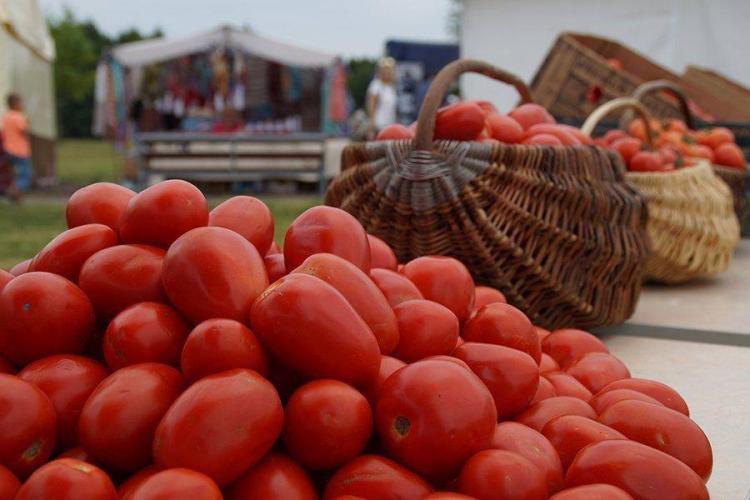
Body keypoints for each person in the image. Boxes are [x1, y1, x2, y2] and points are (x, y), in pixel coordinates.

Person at [1, 94, 32, 192]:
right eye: (20, 103)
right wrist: (27, 122)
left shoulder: (6, 116)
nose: (22, 105)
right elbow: (25, 131)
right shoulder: (18, 117)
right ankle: (15, 190)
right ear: (15, 104)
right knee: (25, 173)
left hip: (7, 149)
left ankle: (9, 187)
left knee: (10, 173)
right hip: (20, 150)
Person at [366, 57, 398, 138]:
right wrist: (371, 127)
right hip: (378, 126)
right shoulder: (376, 86)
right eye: (385, 71)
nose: (387, 73)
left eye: (389, 71)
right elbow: (371, 107)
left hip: (390, 125)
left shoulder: (391, 87)